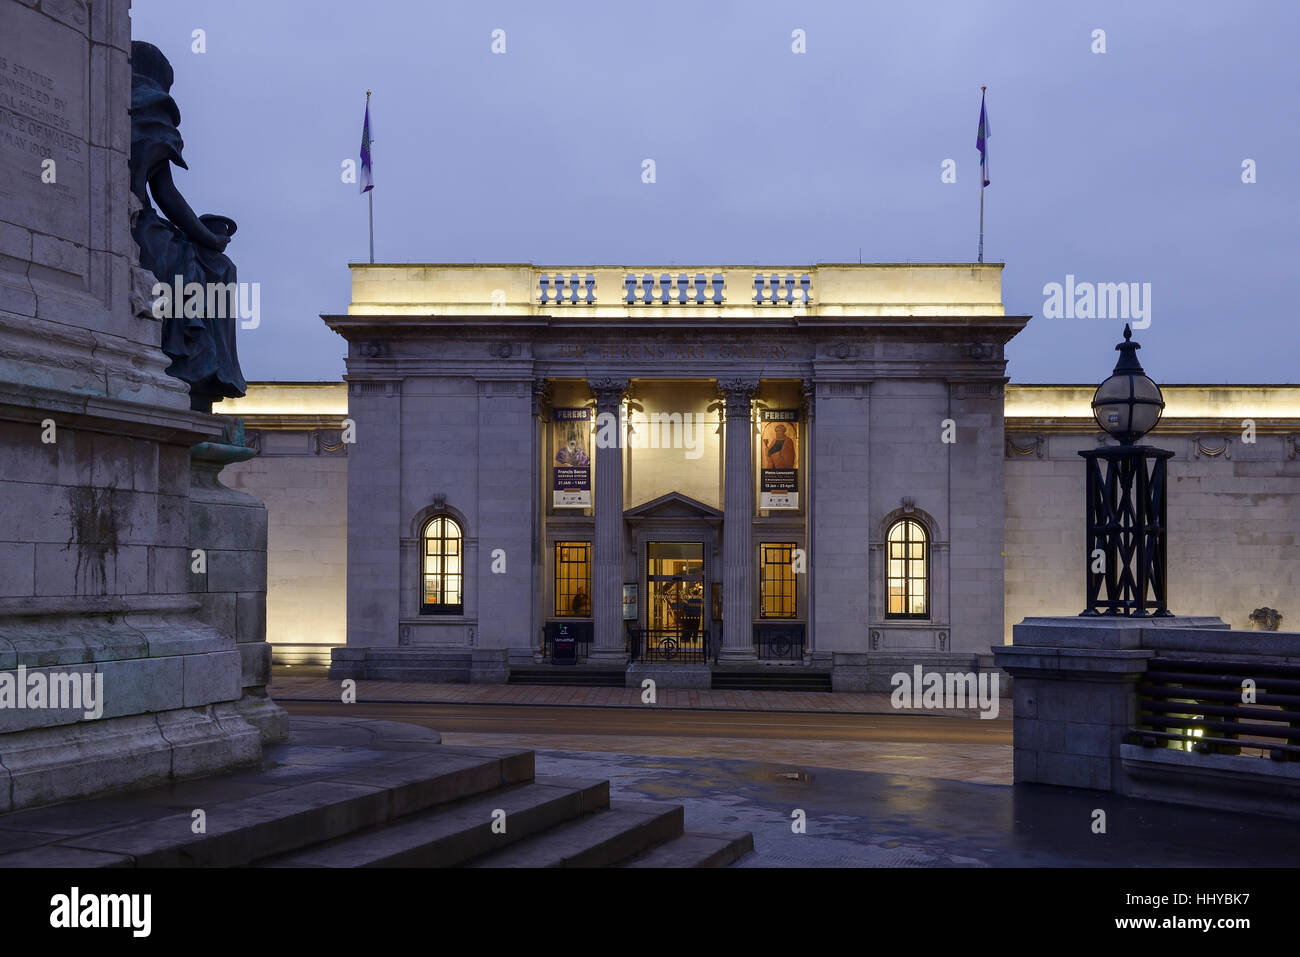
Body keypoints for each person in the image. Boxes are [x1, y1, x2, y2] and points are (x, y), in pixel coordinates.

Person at [129, 41, 245, 411]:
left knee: (217, 266)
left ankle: (204, 374)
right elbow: (165, 196)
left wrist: (207, 236)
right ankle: (194, 366)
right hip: (132, 222)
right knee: (202, 264)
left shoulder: (129, 102)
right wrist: (210, 237)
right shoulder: (151, 104)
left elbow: (165, 191)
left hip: (139, 219)